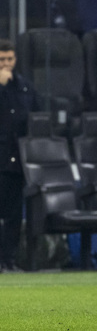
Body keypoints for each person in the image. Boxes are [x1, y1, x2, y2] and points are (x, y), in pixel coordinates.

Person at [0, 39, 39, 272]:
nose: (6, 64)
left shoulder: (25, 87)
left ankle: (10, 260)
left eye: (9, 59)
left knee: (14, 216)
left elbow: (37, 117)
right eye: (2, 59)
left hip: (17, 161)